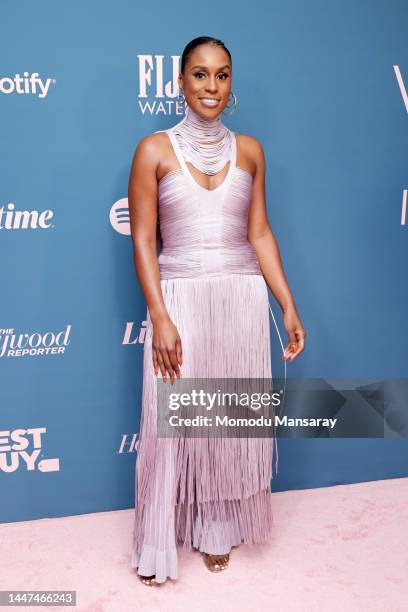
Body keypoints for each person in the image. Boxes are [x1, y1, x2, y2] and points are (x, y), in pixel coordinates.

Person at [128, 36, 306, 586]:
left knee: (226, 422)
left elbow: (259, 232)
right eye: (200, 75)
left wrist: (288, 304)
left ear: (231, 85)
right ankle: (158, 541)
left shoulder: (250, 150)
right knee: (173, 422)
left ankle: (216, 529)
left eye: (222, 76)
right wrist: (158, 313)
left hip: (240, 299)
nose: (211, 87)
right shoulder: (153, 150)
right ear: (179, 82)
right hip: (180, 297)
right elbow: (142, 238)